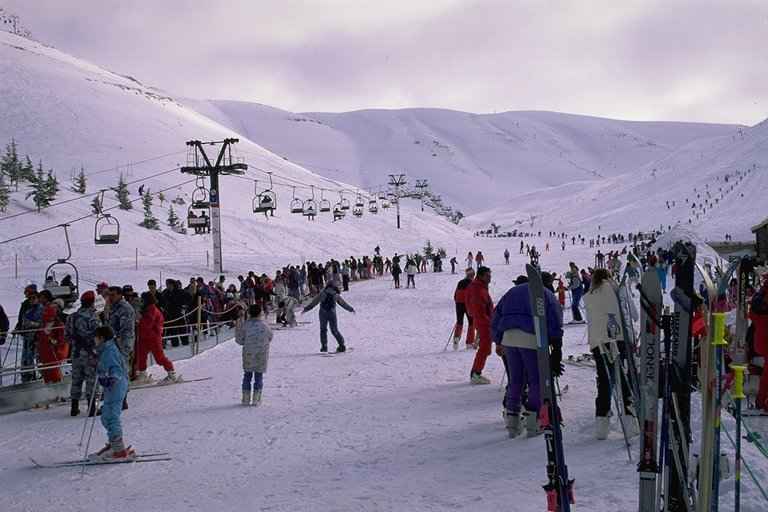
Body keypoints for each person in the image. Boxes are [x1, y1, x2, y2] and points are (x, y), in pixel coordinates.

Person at [491, 272, 563, 437]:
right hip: (531, 338)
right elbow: (555, 317)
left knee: (516, 380)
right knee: (535, 379)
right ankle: (533, 420)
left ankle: (512, 421)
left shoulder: (512, 292)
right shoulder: (544, 293)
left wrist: (498, 338)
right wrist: (555, 343)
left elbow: (497, 314)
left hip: (509, 337)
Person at [583, 269, 636, 439]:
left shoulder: (589, 295)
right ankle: (630, 421)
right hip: (618, 338)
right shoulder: (617, 287)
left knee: (605, 380)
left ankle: (602, 424)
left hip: (598, 342)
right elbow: (632, 314)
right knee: (623, 377)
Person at [89, 325, 132, 461]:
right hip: (113, 387)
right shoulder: (106, 349)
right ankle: (114, 444)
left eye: (96, 337)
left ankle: (118, 449)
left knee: (111, 416)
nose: (94, 340)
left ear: (101, 338)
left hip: (116, 386)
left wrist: (110, 379)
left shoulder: (109, 350)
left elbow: (116, 370)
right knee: (106, 415)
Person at [66, 291, 101, 417]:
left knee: (76, 379)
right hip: (90, 353)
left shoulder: (72, 317)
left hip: (76, 353)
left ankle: (74, 408)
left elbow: (67, 336)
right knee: (91, 380)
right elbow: (98, 335)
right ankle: (92, 408)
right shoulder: (93, 317)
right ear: (92, 302)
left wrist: (76, 343)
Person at [235, 303, 273, 405]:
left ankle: (245, 398)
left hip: (248, 354)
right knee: (258, 376)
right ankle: (256, 399)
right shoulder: (265, 325)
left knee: (247, 375)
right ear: (261, 313)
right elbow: (270, 337)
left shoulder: (245, 326)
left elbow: (239, 340)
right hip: (261, 354)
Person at [302, 281, 355, 353]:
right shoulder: (335, 294)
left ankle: (324, 346)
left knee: (323, 330)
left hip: (323, 314)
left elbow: (314, 302)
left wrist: (306, 309)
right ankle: (341, 345)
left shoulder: (322, 293)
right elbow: (343, 303)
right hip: (332, 314)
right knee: (334, 330)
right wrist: (350, 309)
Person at [136, 294, 177, 384]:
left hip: (153, 337)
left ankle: (171, 373)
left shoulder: (152, 309)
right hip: (144, 336)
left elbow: (147, 324)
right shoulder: (146, 309)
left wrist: (138, 320)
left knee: (159, 357)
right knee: (141, 356)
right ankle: (142, 374)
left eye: (142, 300)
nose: (141, 301)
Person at [107, 286, 135, 409]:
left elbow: (124, 328)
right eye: (109, 295)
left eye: (113, 295)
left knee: (122, 369)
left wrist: (115, 339)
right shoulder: (114, 307)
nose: (110, 297)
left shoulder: (125, 308)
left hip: (122, 342)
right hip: (114, 341)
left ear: (119, 295)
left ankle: (123, 398)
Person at [465, 266, 494, 384]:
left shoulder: (479, 286)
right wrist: (489, 322)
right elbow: (479, 309)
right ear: (481, 276)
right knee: (485, 348)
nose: (490, 278)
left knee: (485, 348)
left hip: (484, 321)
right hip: (484, 322)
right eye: (488, 275)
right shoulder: (478, 289)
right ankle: (476, 373)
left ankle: (476, 372)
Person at [36, 291, 68, 384]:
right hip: (45, 352)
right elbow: (41, 335)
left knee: (54, 372)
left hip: (53, 352)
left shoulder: (59, 324)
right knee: (46, 372)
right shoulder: (45, 324)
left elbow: (63, 340)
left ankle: (57, 392)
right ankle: (49, 389)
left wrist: (55, 342)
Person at [751, 275, 768, 412]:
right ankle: (763, 402)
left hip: (760, 338)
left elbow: (753, 314)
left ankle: (761, 401)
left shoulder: (760, 295)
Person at [452, 268, 476, 350]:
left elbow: (455, 295)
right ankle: (469, 342)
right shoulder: (473, 284)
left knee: (459, 322)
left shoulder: (460, 283)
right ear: (473, 275)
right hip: (468, 305)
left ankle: (456, 339)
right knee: (471, 323)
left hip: (459, 304)